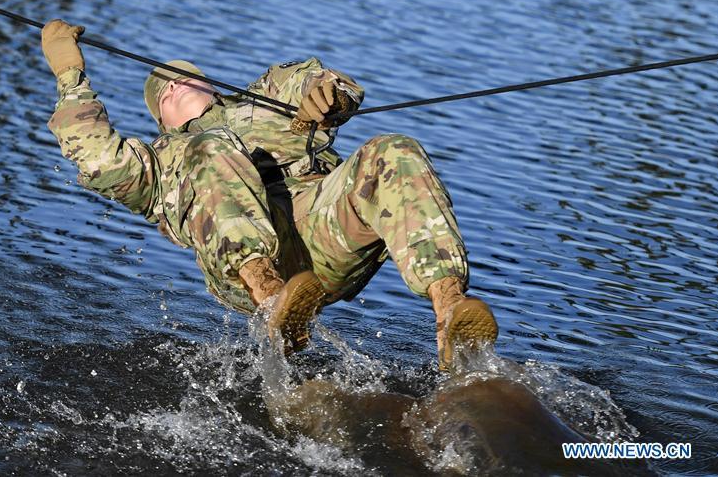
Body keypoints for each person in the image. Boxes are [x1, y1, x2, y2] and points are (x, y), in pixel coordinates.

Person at [41, 19, 498, 370]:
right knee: (212, 148)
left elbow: (320, 81)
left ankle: (450, 312)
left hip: (323, 232)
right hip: (246, 268)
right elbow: (97, 159)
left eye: (187, 76)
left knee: (393, 150)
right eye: (165, 91)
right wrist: (69, 75)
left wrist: (327, 96)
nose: (177, 83)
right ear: (162, 119)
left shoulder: (263, 102)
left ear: (213, 87)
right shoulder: (161, 162)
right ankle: (274, 299)